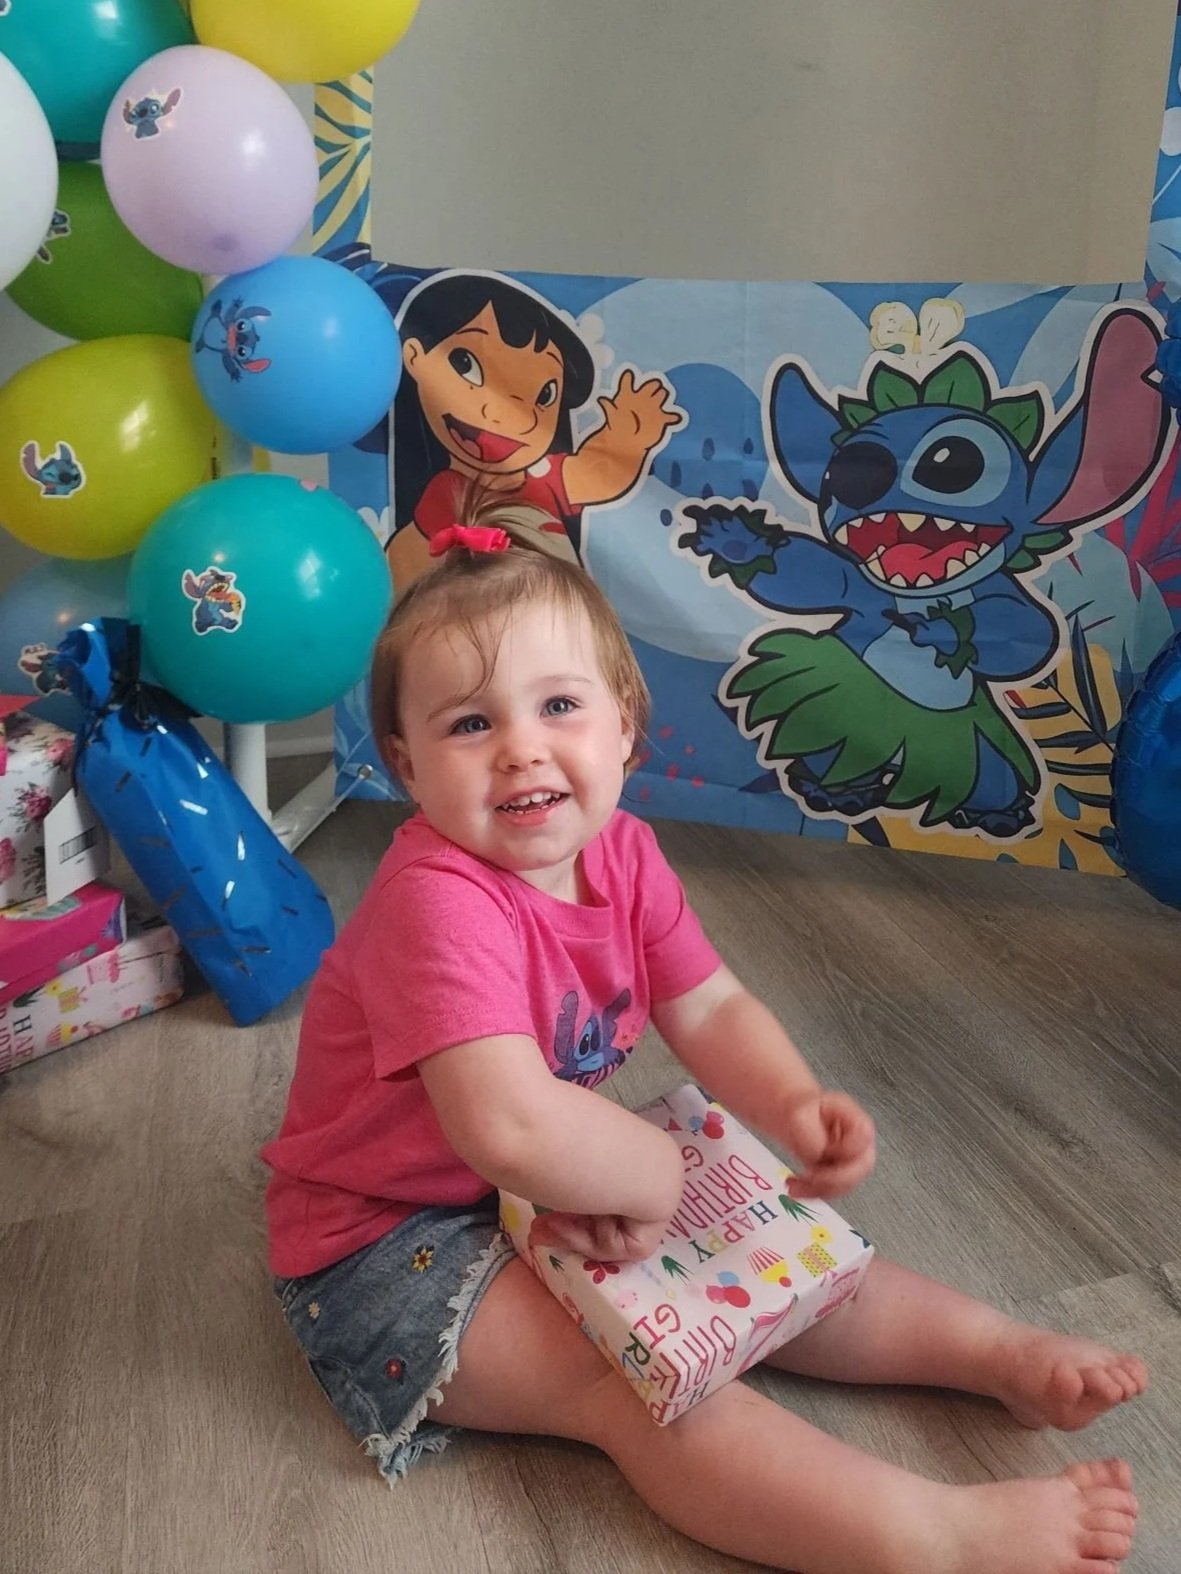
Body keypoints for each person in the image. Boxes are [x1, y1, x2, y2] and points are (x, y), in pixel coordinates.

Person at [262, 490, 1146, 1574]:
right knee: (643, 1383)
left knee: (781, 1256)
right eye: (470, 722)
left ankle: (992, 1352)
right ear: (405, 765)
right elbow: (501, 1120)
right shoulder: (436, 901)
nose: (519, 750)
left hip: (541, 1176)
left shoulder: (623, 852)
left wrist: (788, 1104)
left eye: (557, 706)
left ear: (624, 724)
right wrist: (647, 1175)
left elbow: (707, 1002)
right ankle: (932, 1534)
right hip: (389, 1245)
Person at [384, 271, 681, 597]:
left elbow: (596, 475)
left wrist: (628, 439)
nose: (504, 416)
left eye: (544, 396)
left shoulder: (544, 479)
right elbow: (407, 553)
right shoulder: (448, 492)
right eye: (465, 364)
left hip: (550, 627)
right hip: (474, 627)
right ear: (414, 357)